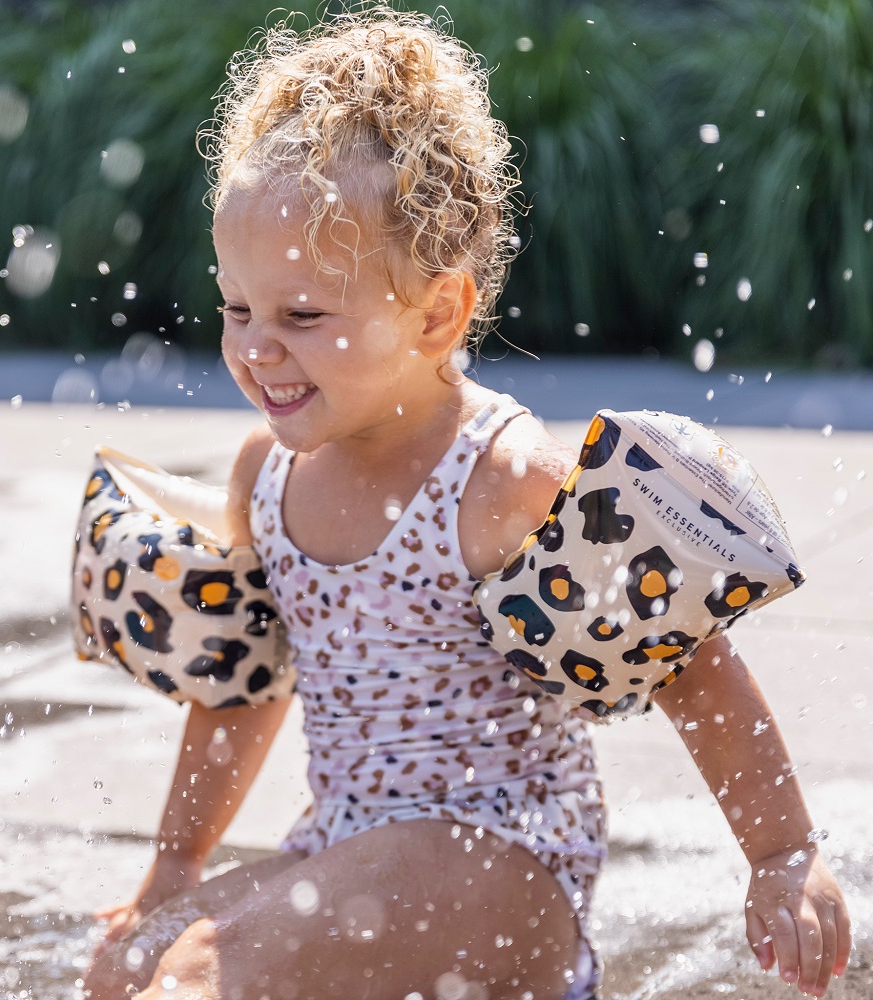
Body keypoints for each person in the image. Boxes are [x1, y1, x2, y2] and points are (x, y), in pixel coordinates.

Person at [81, 8, 851, 999]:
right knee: (131, 967)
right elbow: (239, 685)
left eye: (302, 315)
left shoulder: (495, 476)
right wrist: (177, 863)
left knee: (198, 977)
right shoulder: (264, 476)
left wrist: (782, 853)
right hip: (349, 844)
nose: (256, 348)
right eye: (238, 308)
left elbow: (686, 666)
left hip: (501, 859)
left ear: (436, 311)